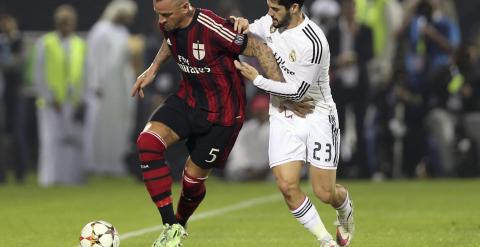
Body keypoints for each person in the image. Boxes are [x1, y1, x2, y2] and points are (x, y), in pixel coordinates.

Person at [130, 0, 289, 246]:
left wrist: (283, 92)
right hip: (188, 100)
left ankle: (180, 224)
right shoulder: (169, 21)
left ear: (185, 8)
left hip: (222, 115)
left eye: (165, 15)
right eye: (158, 15)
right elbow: (170, 41)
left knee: (192, 180)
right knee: (147, 143)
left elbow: (259, 48)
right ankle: (170, 227)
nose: (161, 21)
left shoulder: (212, 26)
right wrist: (153, 68)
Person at [231, 0, 355, 246]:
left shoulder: (314, 41)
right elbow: (251, 32)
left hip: (316, 113)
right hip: (282, 113)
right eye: (268, 8)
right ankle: (325, 240)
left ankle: (345, 211)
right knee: (287, 186)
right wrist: (243, 25)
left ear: (295, 7)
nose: (270, 14)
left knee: (324, 193)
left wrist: (257, 80)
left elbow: (298, 94)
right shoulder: (270, 22)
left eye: (276, 9)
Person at [33, 5, 87, 186]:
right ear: (57, 23)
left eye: (69, 22)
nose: (66, 26)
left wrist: (81, 98)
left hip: (73, 102)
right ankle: (49, 178)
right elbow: (39, 73)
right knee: (50, 141)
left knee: (72, 142)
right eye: (63, 22)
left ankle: (70, 178)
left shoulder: (79, 44)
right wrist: (49, 96)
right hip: (50, 103)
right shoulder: (45, 43)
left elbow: (83, 73)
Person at [84, 0, 138, 176]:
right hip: (104, 86)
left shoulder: (122, 31)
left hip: (120, 87)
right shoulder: (100, 30)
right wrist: (95, 83)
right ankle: (97, 164)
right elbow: (93, 60)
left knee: (119, 125)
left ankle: (115, 163)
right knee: (100, 125)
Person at [225, 94, 270, 181]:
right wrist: (247, 167)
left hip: (267, 169)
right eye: (258, 110)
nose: (261, 113)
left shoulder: (277, 129)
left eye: (263, 110)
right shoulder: (245, 128)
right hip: (246, 168)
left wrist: (265, 168)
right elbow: (237, 150)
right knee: (232, 167)